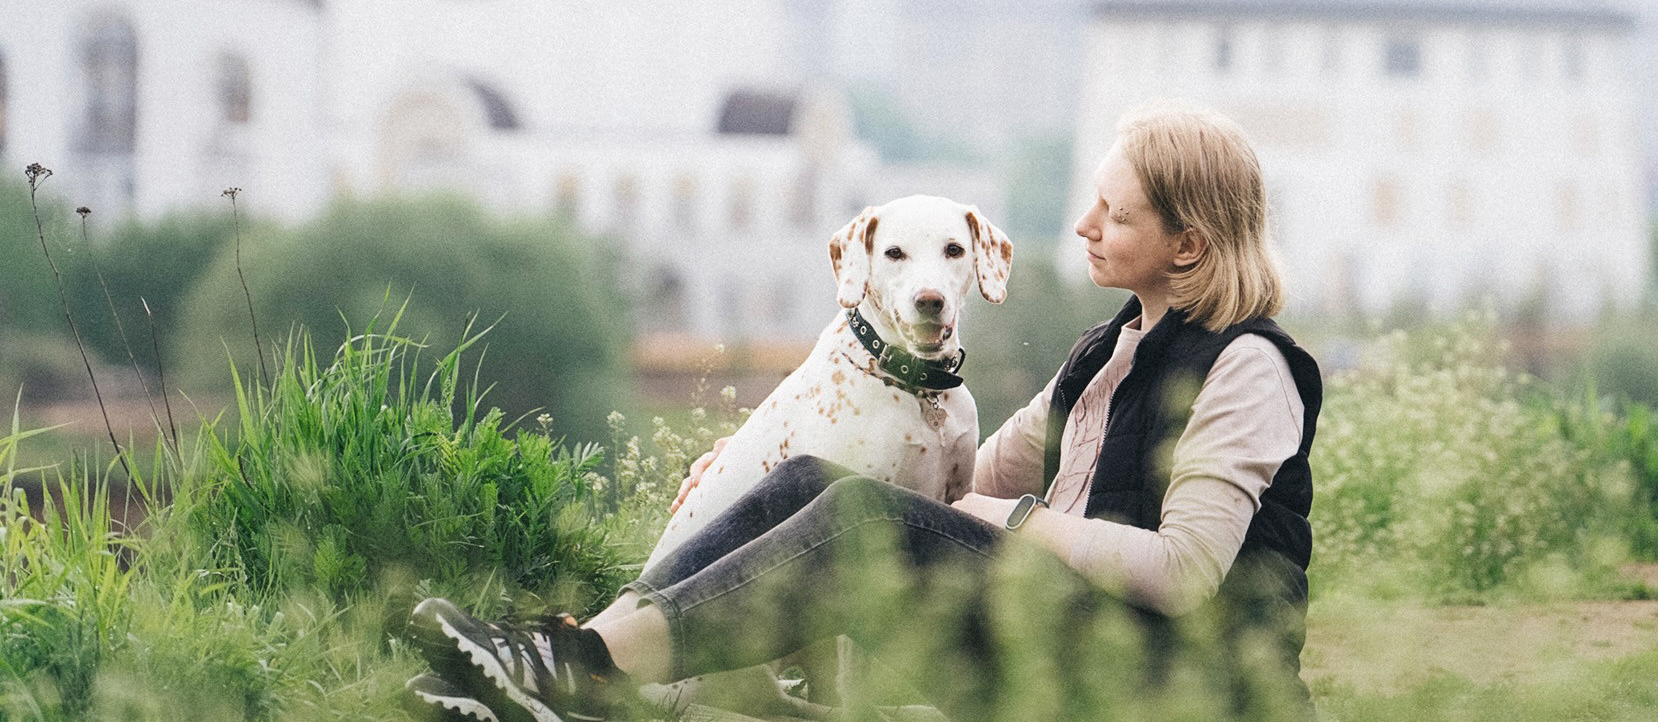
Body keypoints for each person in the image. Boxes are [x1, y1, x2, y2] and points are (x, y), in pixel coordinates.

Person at [407, 103, 1322, 721]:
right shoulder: (1109, 349)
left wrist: (1017, 520)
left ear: (1187, 245)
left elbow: (1184, 574)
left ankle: (575, 677)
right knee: (817, 479)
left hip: (1174, 687)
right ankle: (565, 661)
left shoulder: (1247, 368)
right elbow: (958, 478)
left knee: (864, 521)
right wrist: (759, 457)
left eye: (1114, 215)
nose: (1084, 225)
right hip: (1072, 638)